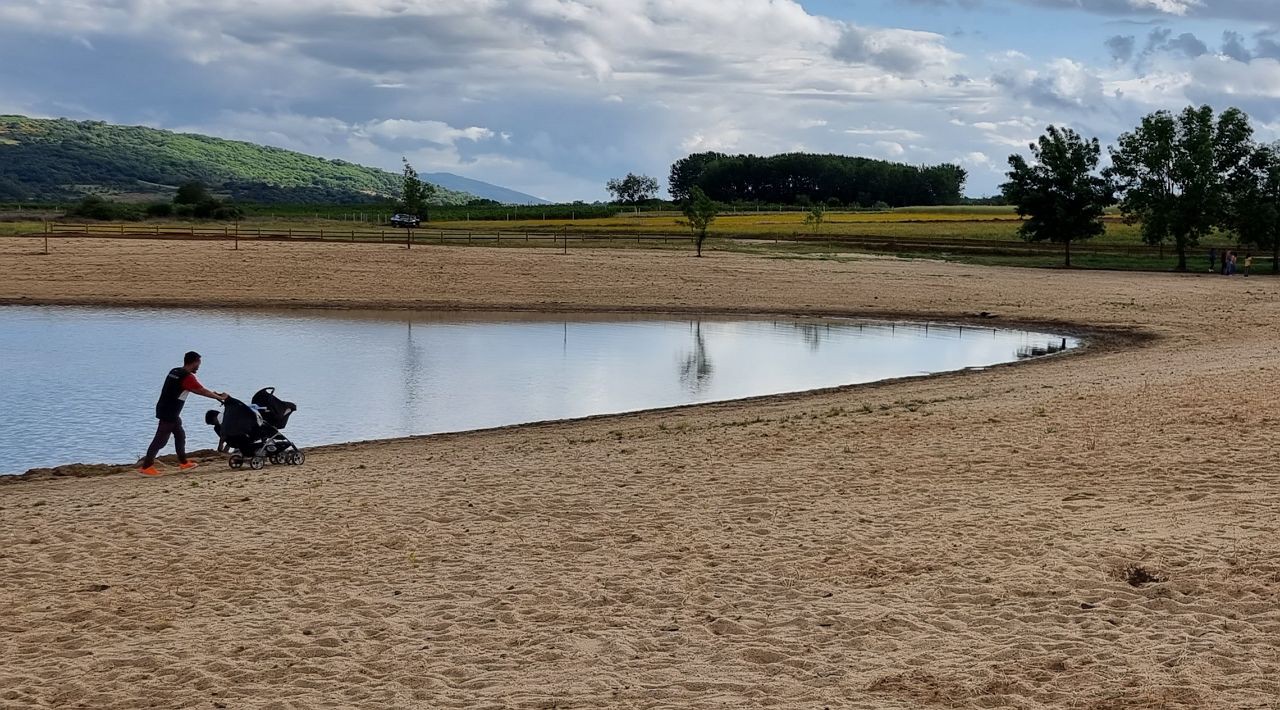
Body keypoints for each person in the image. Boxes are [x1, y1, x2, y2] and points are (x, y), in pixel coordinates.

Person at [139, 351, 228, 476]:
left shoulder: (174, 371)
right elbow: (201, 390)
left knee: (180, 435)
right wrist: (219, 397)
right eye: (199, 364)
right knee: (160, 440)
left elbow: (195, 389)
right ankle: (146, 467)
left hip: (165, 409)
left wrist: (215, 395)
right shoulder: (187, 377)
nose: (199, 367)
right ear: (195, 362)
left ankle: (184, 463)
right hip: (169, 412)